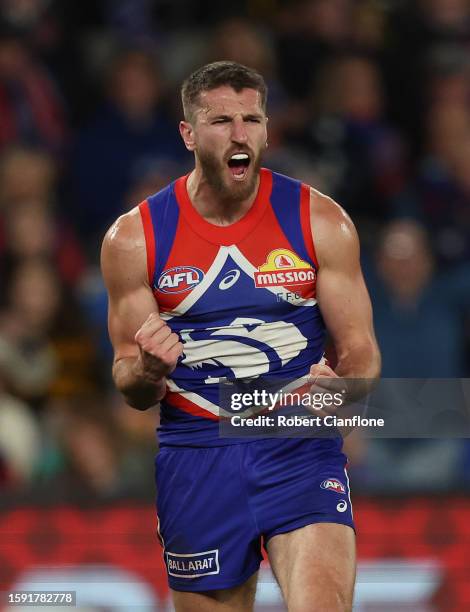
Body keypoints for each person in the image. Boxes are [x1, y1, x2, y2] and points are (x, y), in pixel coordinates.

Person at [101, 61, 381, 612]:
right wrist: (150, 370)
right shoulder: (136, 239)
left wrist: (342, 393)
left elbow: (361, 349)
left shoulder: (320, 221)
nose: (239, 134)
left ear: (268, 130)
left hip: (298, 445)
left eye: (252, 119)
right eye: (221, 120)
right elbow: (128, 382)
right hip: (197, 454)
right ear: (187, 133)